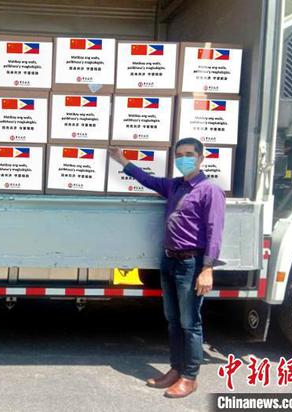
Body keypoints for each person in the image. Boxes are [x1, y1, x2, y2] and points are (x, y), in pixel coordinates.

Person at [110, 138, 225, 398]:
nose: (184, 159)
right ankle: (175, 369)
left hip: (191, 263)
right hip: (169, 260)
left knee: (190, 322)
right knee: (173, 321)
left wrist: (208, 268)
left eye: (189, 154)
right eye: (180, 155)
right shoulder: (174, 186)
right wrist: (123, 160)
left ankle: (190, 376)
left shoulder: (209, 190)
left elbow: (214, 232)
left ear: (200, 158)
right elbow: (147, 180)